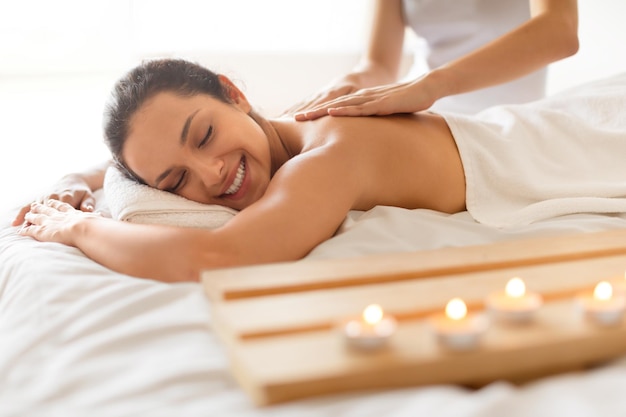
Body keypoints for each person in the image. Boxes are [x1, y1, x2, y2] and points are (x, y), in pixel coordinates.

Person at [13, 58, 626, 283]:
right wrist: (81, 181)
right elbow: (127, 166)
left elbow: (219, 259)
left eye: (203, 135)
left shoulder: (328, 158)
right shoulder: (289, 128)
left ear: (233, 92)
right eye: (175, 182)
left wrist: (75, 230)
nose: (210, 173)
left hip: (587, 138)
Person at [289, 0, 579, 120]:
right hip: (423, 113)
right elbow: (379, 65)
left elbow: (559, 32)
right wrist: (351, 84)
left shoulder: (432, 85)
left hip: (510, 119)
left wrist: (433, 85)